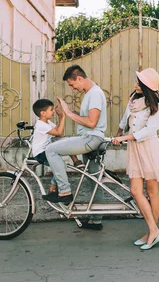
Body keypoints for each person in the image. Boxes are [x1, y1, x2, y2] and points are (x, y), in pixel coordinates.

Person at [43, 65, 107, 230]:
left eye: (72, 85)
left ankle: (64, 192)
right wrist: (69, 112)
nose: (72, 88)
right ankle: (96, 220)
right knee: (94, 180)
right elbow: (88, 117)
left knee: (51, 149)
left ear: (79, 78)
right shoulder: (90, 94)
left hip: (90, 138)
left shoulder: (94, 94)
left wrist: (70, 114)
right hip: (90, 138)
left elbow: (92, 123)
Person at [112, 68, 159, 250]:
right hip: (134, 148)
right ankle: (153, 230)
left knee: (152, 192)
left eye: (138, 83)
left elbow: (150, 130)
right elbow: (126, 116)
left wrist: (126, 138)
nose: (135, 85)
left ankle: (152, 231)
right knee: (136, 190)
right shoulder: (134, 99)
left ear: (146, 87)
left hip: (148, 148)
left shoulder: (156, 104)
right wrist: (119, 133)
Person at [30, 99, 84, 195]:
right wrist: (63, 117)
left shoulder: (47, 123)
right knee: (60, 167)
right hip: (41, 153)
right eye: (51, 110)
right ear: (43, 113)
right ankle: (53, 187)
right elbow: (59, 132)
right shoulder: (41, 125)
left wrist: (60, 118)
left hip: (48, 149)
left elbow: (58, 132)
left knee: (65, 140)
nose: (53, 111)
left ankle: (76, 160)